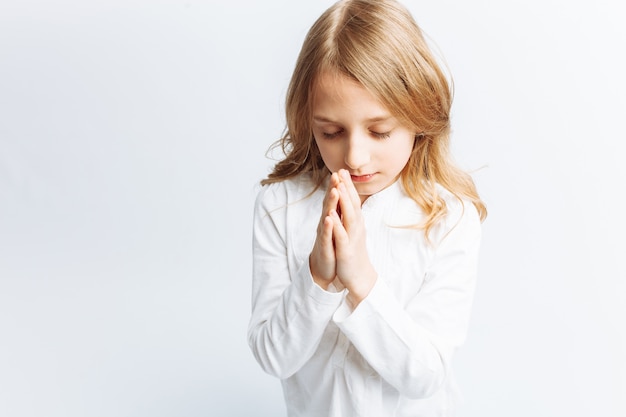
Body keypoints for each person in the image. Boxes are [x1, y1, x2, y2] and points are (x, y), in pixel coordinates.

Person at [247, 0, 487, 415]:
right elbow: (273, 357)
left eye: (380, 131)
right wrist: (318, 279)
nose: (354, 156)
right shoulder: (280, 205)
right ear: (309, 122)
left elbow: (425, 376)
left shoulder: (449, 218)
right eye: (331, 131)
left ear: (419, 113)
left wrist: (361, 280)